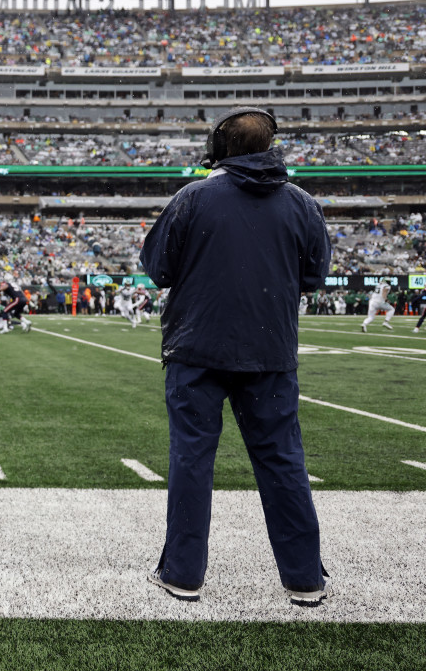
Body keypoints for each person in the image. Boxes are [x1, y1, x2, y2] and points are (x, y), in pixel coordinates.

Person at [139, 107, 331, 607]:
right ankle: (305, 578)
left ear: (218, 147)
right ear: (272, 146)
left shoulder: (193, 197)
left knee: (192, 460)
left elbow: (156, 268)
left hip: (196, 348)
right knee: (283, 461)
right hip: (270, 350)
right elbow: (313, 277)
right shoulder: (303, 204)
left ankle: (182, 575)